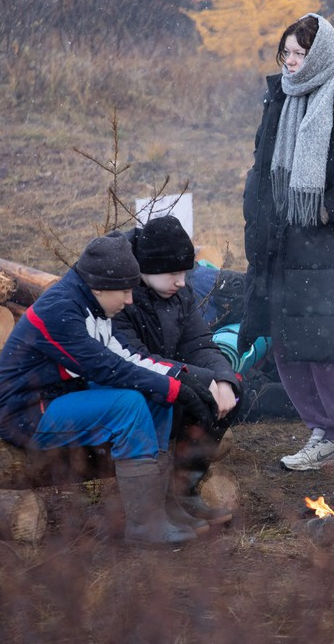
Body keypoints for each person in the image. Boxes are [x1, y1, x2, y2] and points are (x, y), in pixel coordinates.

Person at [239, 13, 334, 480]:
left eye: (299, 55)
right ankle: (324, 435)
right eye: (285, 53)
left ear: (321, 56)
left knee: (332, 350)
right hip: (278, 247)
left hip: (328, 254)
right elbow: (263, 167)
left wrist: (327, 208)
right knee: (286, 347)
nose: (290, 63)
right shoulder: (277, 98)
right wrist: (256, 212)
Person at [0, 233, 220, 547]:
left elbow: (127, 357)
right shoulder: (61, 311)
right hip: (27, 413)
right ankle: (143, 524)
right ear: (100, 286)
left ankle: (163, 508)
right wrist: (173, 387)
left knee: (156, 400)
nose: (129, 300)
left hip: (64, 396)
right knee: (128, 404)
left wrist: (180, 379)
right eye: (125, 291)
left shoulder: (93, 304)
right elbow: (105, 368)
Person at [114, 215, 240, 527]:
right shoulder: (118, 292)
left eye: (184, 272)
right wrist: (197, 379)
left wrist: (223, 379)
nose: (182, 281)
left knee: (234, 387)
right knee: (192, 392)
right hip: (127, 383)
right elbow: (135, 359)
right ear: (148, 267)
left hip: (167, 374)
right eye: (173, 273)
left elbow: (199, 343)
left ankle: (185, 489)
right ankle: (157, 503)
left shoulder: (179, 293)